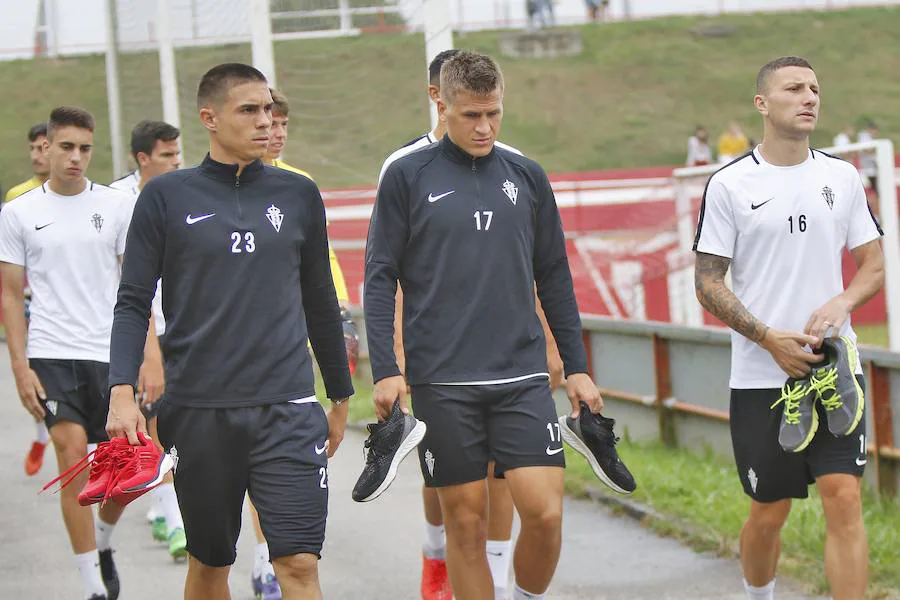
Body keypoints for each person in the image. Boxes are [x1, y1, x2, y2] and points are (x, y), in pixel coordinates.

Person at [364, 50, 632, 600]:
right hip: (443, 381)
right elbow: (378, 276)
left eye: (494, 114)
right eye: (471, 116)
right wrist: (387, 370)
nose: (484, 127)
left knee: (546, 515)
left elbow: (554, 275)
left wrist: (577, 367)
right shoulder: (406, 175)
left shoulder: (527, 175)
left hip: (522, 379)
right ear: (441, 103)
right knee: (465, 525)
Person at [106, 63, 353, 600]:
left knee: (299, 564)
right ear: (209, 119)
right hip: (198, 411)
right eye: (250, 110)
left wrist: (338, 392)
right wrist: (121, 393)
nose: (266, 121)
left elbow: (318, 297)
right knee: (211, 564)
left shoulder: (298, 195)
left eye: (269, 109)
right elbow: (131, 303)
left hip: (287, 407)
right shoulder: (166, 197)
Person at [693, 56, 884, 600]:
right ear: (762, 103)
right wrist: (767, 338)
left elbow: (873, 264)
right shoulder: (729, 184)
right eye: (794, 88)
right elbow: (707, 283)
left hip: (834, 371)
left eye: (815, 88)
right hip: (762, 375)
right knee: (768, 511)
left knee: (843, 497)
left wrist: (843, 301)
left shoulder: (842, 176)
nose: (809, 97)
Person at [0, 106, 162, 600]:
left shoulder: (116, 206)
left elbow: (137, 288)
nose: (75, 157)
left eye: (84, 149)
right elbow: (9, 294)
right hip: (51, 354)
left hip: (111, 355)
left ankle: (105, 541)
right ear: (45, 147)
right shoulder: (19, 212)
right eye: (66, 147)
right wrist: (20, 366)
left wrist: (150, 354)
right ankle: (94, 586)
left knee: (136, 471)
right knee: (72, 459)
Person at [244, 87, 358, 600]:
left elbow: (320, 261)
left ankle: (277, 556)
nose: (276, 130)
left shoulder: (300, 186)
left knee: (283, 445)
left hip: (297, 329)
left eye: (283, 122)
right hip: (243, 342)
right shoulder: (217, 188)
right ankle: (260, 556)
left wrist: (339, 309)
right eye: (268, 119)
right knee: (250, 446)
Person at [109, 119, 186, 560]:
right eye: (167, 156)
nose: (177, 163)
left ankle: (165, 506)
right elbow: (128, 284)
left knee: (161, 422)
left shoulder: (183, 194)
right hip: (134, 328)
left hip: (171, 327)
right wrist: (144, 349)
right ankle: (170, 513)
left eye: (178, 155)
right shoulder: (120, 202)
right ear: (143, 159)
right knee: (146, 421)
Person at [4, 122, 54, 476]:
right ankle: (41, 435)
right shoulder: (16, 197)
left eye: (43, 147)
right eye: (33, 148)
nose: (37, 155)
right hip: (31, 302)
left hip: (71, 303)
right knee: (36, 377)